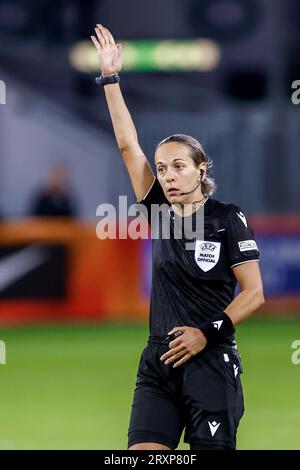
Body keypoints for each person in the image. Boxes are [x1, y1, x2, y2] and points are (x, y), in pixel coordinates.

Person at [91, 25, 265, 451]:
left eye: (178, 166)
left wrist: (207, 332)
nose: (167, 175)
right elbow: (128, 146)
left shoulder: (227, 218)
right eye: (163, 168)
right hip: (158, 359)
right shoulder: (160, 213)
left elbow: (254, 293)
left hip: (210, 360)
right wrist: (111, 79)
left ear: (201, 169)